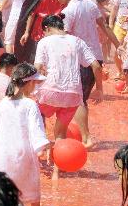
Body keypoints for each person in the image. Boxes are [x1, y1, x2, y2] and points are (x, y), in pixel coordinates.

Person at [0, 63, 51, 206]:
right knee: (31, 183)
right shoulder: (30, 104)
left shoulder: (3, 103)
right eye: (35, 83)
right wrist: (44, 147)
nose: (35, 86)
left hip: (1, 153)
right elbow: (36, 131)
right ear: (28, 83)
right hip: (23, 153)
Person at [34, 15, 101, 172]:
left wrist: (30, 90)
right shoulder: (77, 41)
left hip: (49, 92)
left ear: (47, 28)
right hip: (72, 95)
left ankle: (37, 160)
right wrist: (99, 89)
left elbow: (37, 68)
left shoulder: (44, 42)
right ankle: (57, 170)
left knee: (36, 122)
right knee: (60, 134)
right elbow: (96, 66)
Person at [54, 0, 113, 147]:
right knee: (80, 99)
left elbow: (62, 38)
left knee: (77, 100)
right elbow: (105, 26)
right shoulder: (90, 4)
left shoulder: (68, 12)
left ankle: (86, 138)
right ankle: (83, 136)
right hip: (96, 57)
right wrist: (119, 45)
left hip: (80, 61)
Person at [15, 0, 66, 64]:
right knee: (36, 62)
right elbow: (31, 13)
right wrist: (26, 32)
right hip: (38, 34)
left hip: (56, 34)